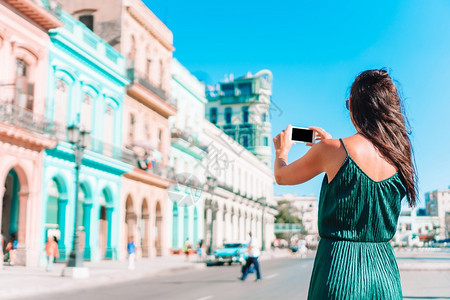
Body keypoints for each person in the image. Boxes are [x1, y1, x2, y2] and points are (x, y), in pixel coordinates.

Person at [273, 69, 417, 299]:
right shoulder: (400, 157)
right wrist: (330, 145)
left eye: (348, 102)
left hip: (340, 268)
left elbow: (282, 177)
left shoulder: (332, 151)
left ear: (356, 107)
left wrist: (282, 151)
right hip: (384, 271)